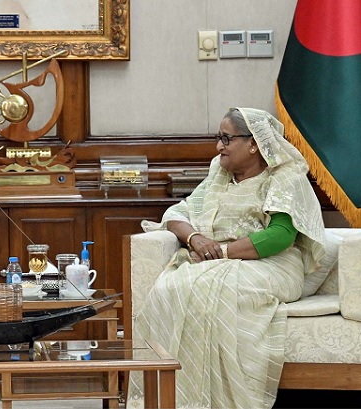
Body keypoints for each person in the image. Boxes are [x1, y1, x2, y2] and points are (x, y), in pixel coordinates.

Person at [130, 108, 327, 408]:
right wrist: (195, 238)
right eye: (218, 138)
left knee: (222, 293)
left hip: (272, 264)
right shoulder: (219, 174)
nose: (218, 146)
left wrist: (221, 252)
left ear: (253, 144)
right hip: (214, 260)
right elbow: (176, 214)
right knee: (168, 289)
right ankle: (174, 399)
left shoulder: (284, 176)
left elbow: (281, 235)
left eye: (226, 138)